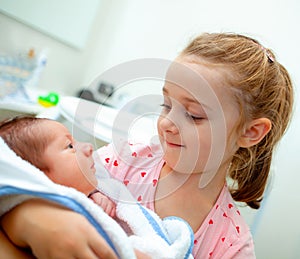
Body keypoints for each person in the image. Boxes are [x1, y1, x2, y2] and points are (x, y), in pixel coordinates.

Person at [0, 32, 294, 259]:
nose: (167, 123)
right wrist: (27, 218)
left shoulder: (230, 243)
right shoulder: (123, 161)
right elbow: (32, 188)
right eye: (166, 105)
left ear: (251, 132)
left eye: (193, 115)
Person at [0, 116, 145, 259]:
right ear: (37, 174)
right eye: (70, 146)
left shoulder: (95, 188)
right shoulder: (58, 219)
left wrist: (94, 194)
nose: (89, 147)